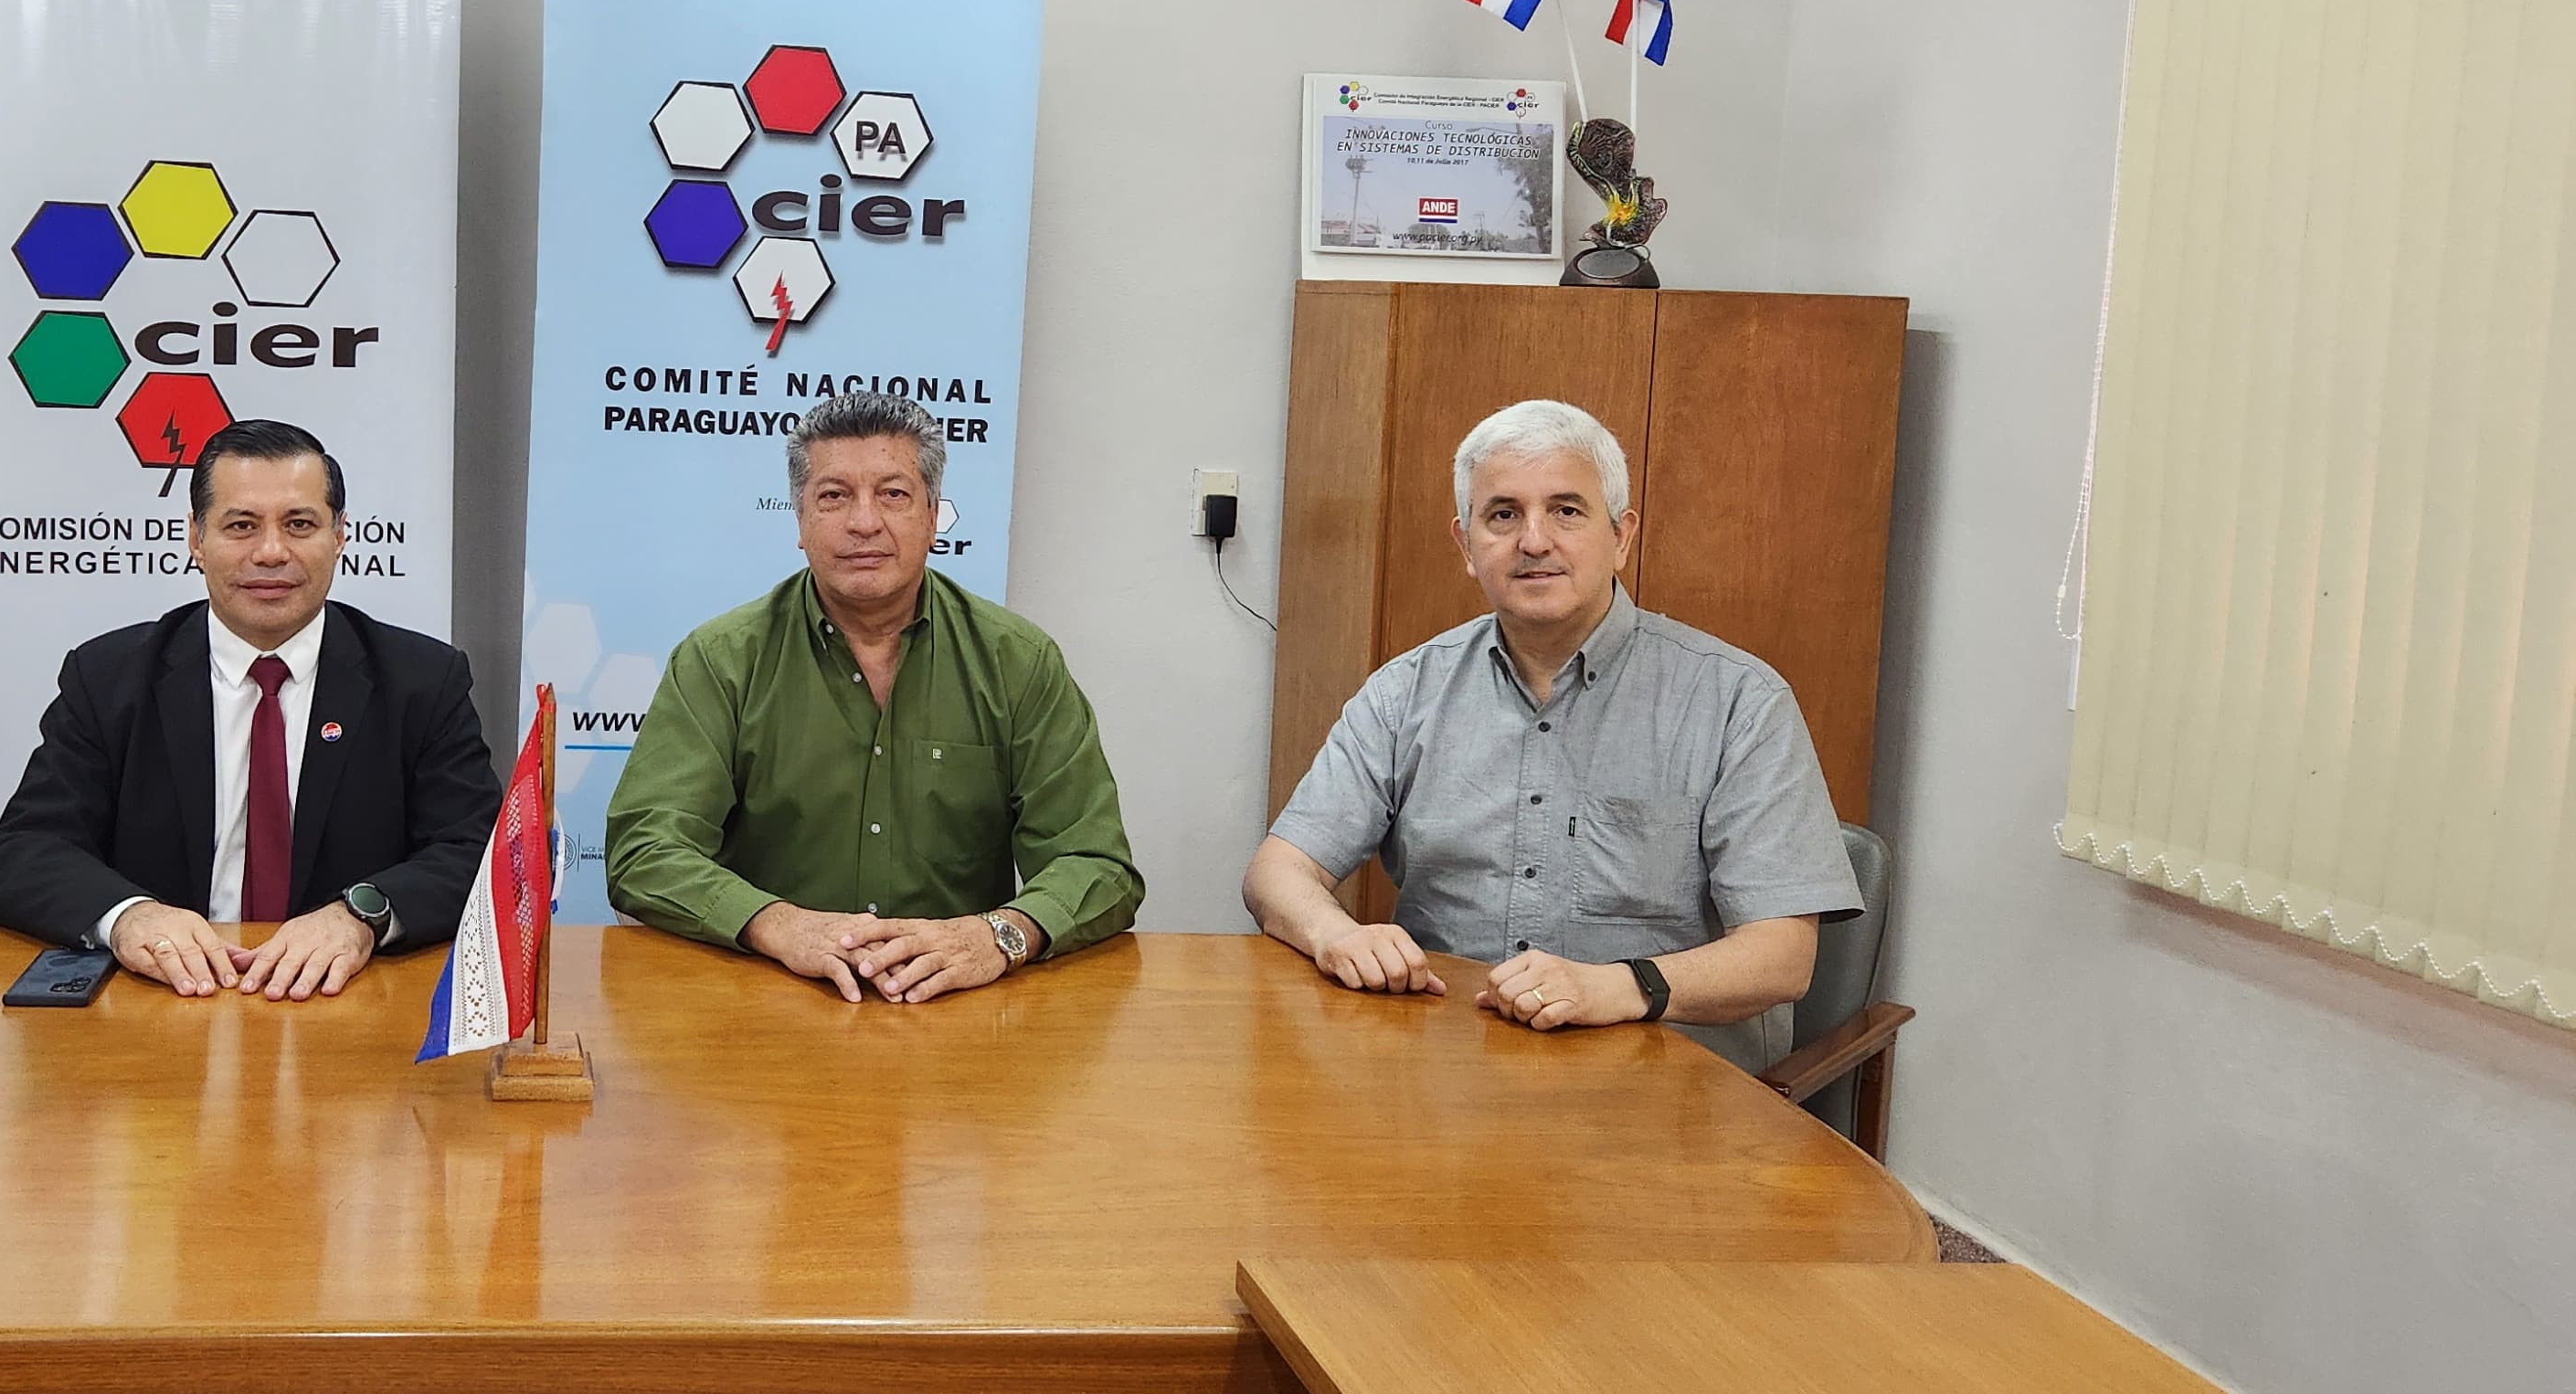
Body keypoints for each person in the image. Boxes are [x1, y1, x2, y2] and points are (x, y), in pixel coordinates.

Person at [1243, 397, 1860, 1071]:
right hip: (1449, 1073)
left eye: (1566, 511)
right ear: (1467, 546)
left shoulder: (1738, 701)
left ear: (1621, 537)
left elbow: (1781, 957)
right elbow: (1277, 872)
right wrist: (1334, 933)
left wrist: (1618, 987)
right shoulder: (1404, 693)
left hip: (1665, 1083)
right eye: (1503, 515)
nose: (1534, 541)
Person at [607, 391, 1142, 1002]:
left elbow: (1096, 863)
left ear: (933, 515)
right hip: (768, 997)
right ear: (800, 521)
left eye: (893, 494)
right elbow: (646, 849)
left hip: (957, 1007)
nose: (864, 522)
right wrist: (777, 925)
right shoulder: (721, 661)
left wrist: (997, 936)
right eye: (834, 496)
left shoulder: (1017, 662)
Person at [0, 419, 500, 1002]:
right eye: (241, 526)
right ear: (196, 540)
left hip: (345, 999)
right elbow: (21, 855)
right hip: (164, 1000)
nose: (271, 552)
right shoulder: (108, 678)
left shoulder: (421, 680)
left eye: (299, 524)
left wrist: (360, 917)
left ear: (340, 536)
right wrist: (129, 916)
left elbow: (480, 853)